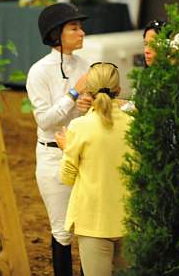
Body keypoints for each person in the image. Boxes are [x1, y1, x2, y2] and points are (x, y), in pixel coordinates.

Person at [26, 2, 91, 276]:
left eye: (80, 27)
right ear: (56, 34)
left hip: (87, 154)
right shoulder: (39, 72)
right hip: (54, 157)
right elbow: (45, 120)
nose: (82, 32)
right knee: (63, 230)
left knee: (89, 226)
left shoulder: (84, 65)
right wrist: (75, 95)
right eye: (74, 28)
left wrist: (94, 102)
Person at [55, 62, 132, 276]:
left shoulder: (79, 127)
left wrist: (66, 148)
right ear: (118, 90)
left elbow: (67, 177)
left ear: (88, 92)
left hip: (92, 222)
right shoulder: (136, 125)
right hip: (130, 220)